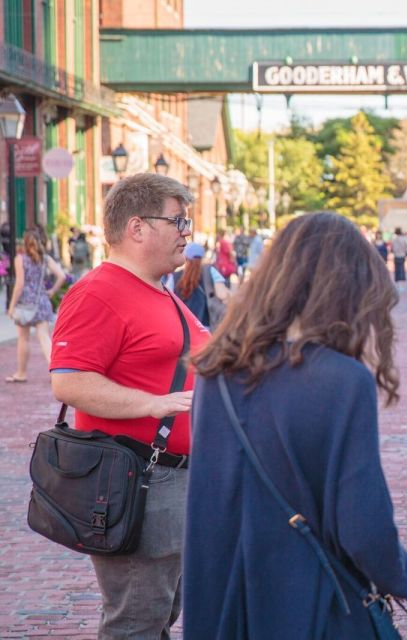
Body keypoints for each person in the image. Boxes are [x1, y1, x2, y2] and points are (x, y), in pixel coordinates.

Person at [184, 213, 407, 638]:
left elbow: (207, 505)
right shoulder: (343, 381)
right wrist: (401, 576)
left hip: (226, 605)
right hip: (311, 607)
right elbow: (363, 523)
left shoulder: (215, 371)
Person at [48, 173, 207, 638]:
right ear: (137, 227)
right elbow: (69, 382)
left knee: (159, 611)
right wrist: (155, 404)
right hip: (140, 479)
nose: (186, 233)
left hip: (171, 479)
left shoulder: (159, 290)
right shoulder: (100, 291)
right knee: (136, 620)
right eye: (178, 221)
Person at [5, 229, 66, 383]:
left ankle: (21, 373)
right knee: (45, 338)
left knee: (23, 339)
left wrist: (11, 306)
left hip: (26, 304)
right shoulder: (45, 258)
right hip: (42, 301)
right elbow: (62, 276)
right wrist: (51, 291)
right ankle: (55, 372)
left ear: (24, 242)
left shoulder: (20, 259)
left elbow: (19, 284)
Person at [171, 242, 230, 330]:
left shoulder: (175, 276)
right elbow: (223, 295)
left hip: (182, 328)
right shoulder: (210, 271)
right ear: (202, 257)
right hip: (204, 327)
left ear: (186, 257)